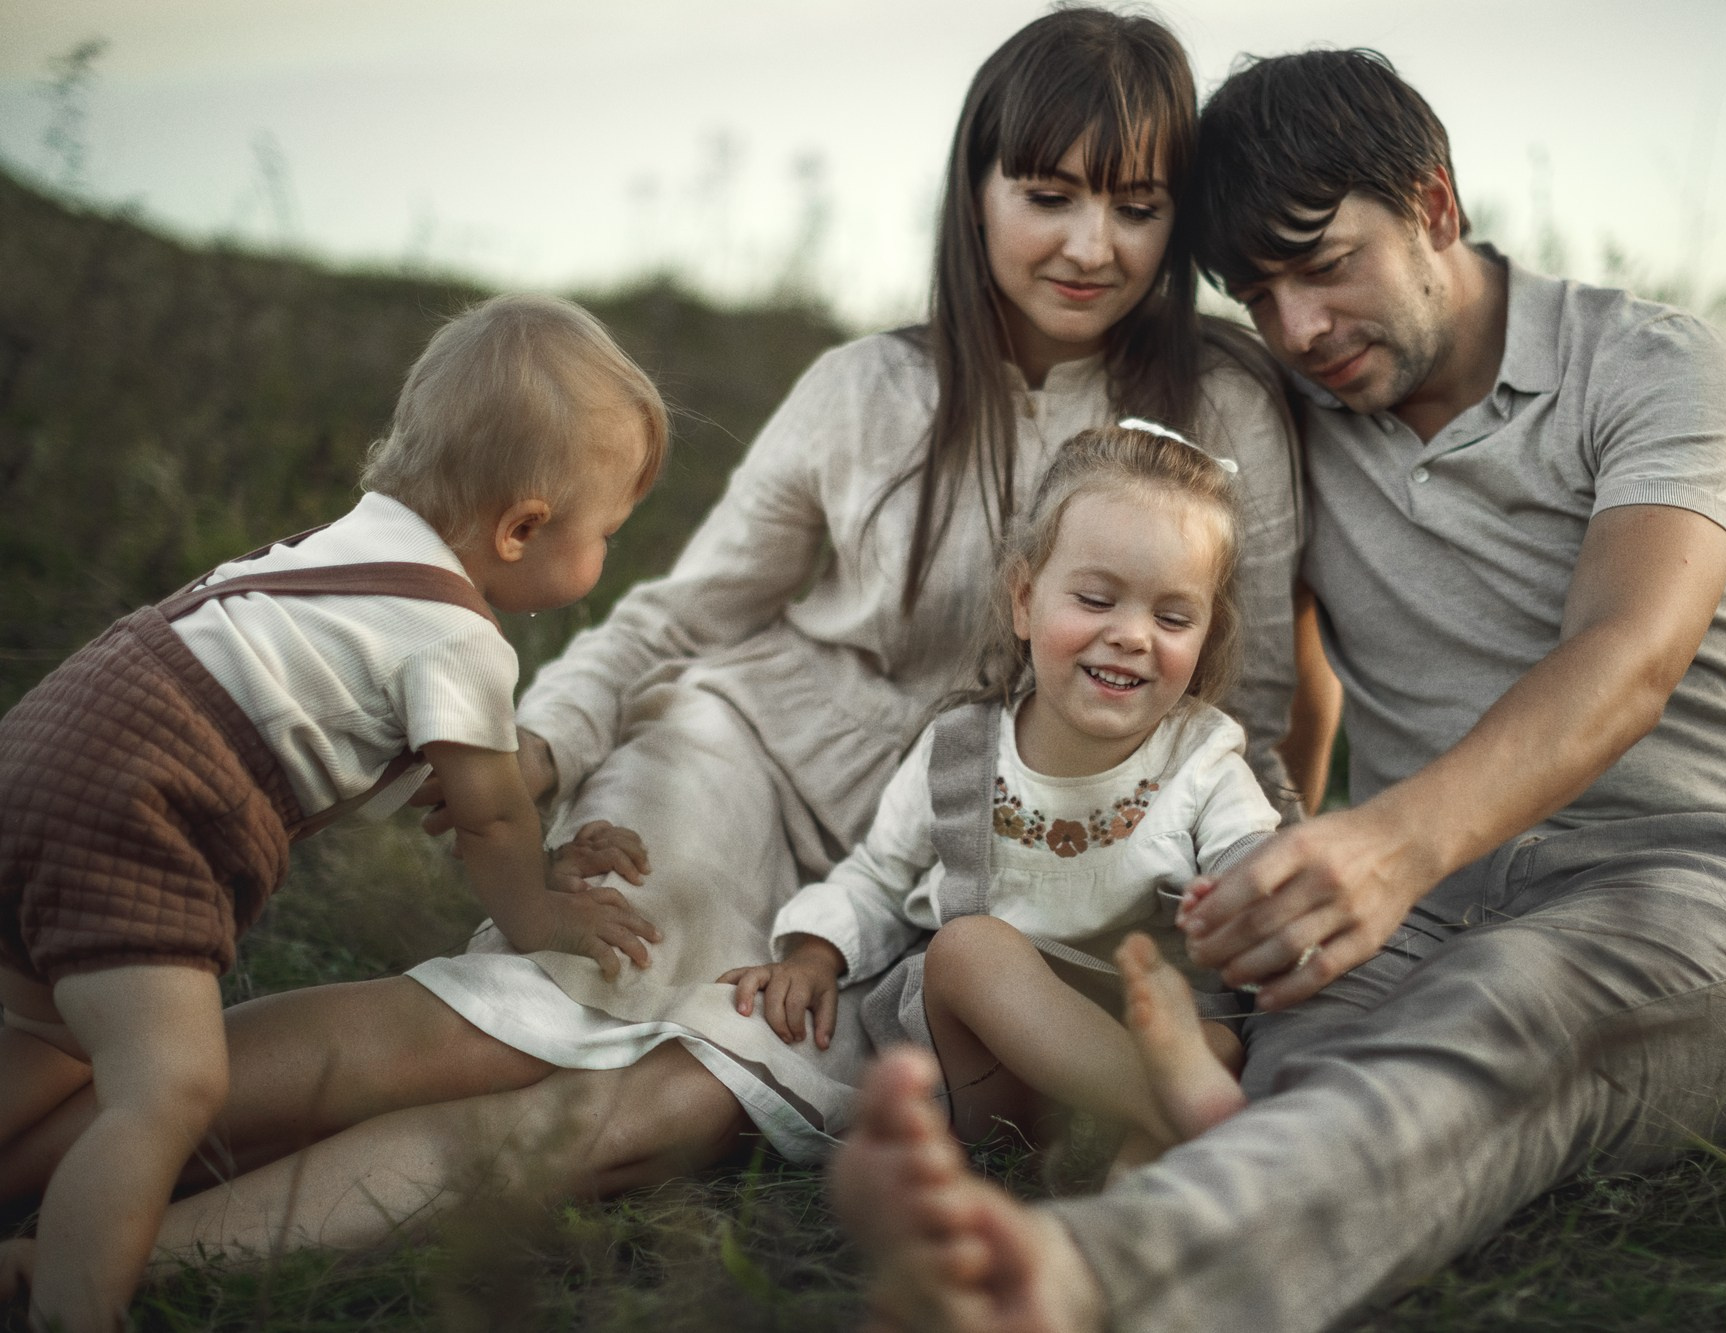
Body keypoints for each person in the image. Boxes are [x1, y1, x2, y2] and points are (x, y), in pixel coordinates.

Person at [0, 8, 1313, 1266]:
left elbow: (1242, 720)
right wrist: (545, 747)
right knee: (541, 1016)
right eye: (1051, 194)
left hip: (946, 865)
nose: (1092, 244)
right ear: (978, 192)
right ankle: (52, 1165)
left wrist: (1248, 929)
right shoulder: (866, 388)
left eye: (1136, 207)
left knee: (645, 1123)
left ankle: (109, 1268)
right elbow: (687, 612)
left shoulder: (1225, 406)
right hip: (742, 759)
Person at [832, 47, 1726, 1333]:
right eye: (1258, 294)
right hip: (1423, 905)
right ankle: (1084, 1229)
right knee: (1280, 1070)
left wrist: (1382, 841)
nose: (1299, 329)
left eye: (1324, 266)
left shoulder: (1654, 366)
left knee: (1513, 1008)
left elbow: (1626, 656)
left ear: (1434, 203)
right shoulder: (1299, 407)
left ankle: (1080, 1277)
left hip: (1701, 875)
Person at [0, 292, 666, 1330]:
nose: (605, 559)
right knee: (166, 1086)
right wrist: (538, 910)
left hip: (44, 745)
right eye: (607, 535)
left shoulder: (346, 546)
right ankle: (65, 1301)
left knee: (47, 1030)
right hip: (141, 802)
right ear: (522, 526)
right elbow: (488, 818)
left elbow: (363, 736)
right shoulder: (462, 641)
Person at [722, 423, 1274, 1165]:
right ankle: (1165, 1106)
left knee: (1208, 1034)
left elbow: (1257, 865)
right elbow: (880, 875)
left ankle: (1123, 1187)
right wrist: (816, 953)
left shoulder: (1202, 756)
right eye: (1096, 598)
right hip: (998, 1082)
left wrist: (1250, 900)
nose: (1132, 635)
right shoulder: (964, 750)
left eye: (1172, 617)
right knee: (968, 947)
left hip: (1151, 1021)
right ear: (1023, 599)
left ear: (1207, 633)